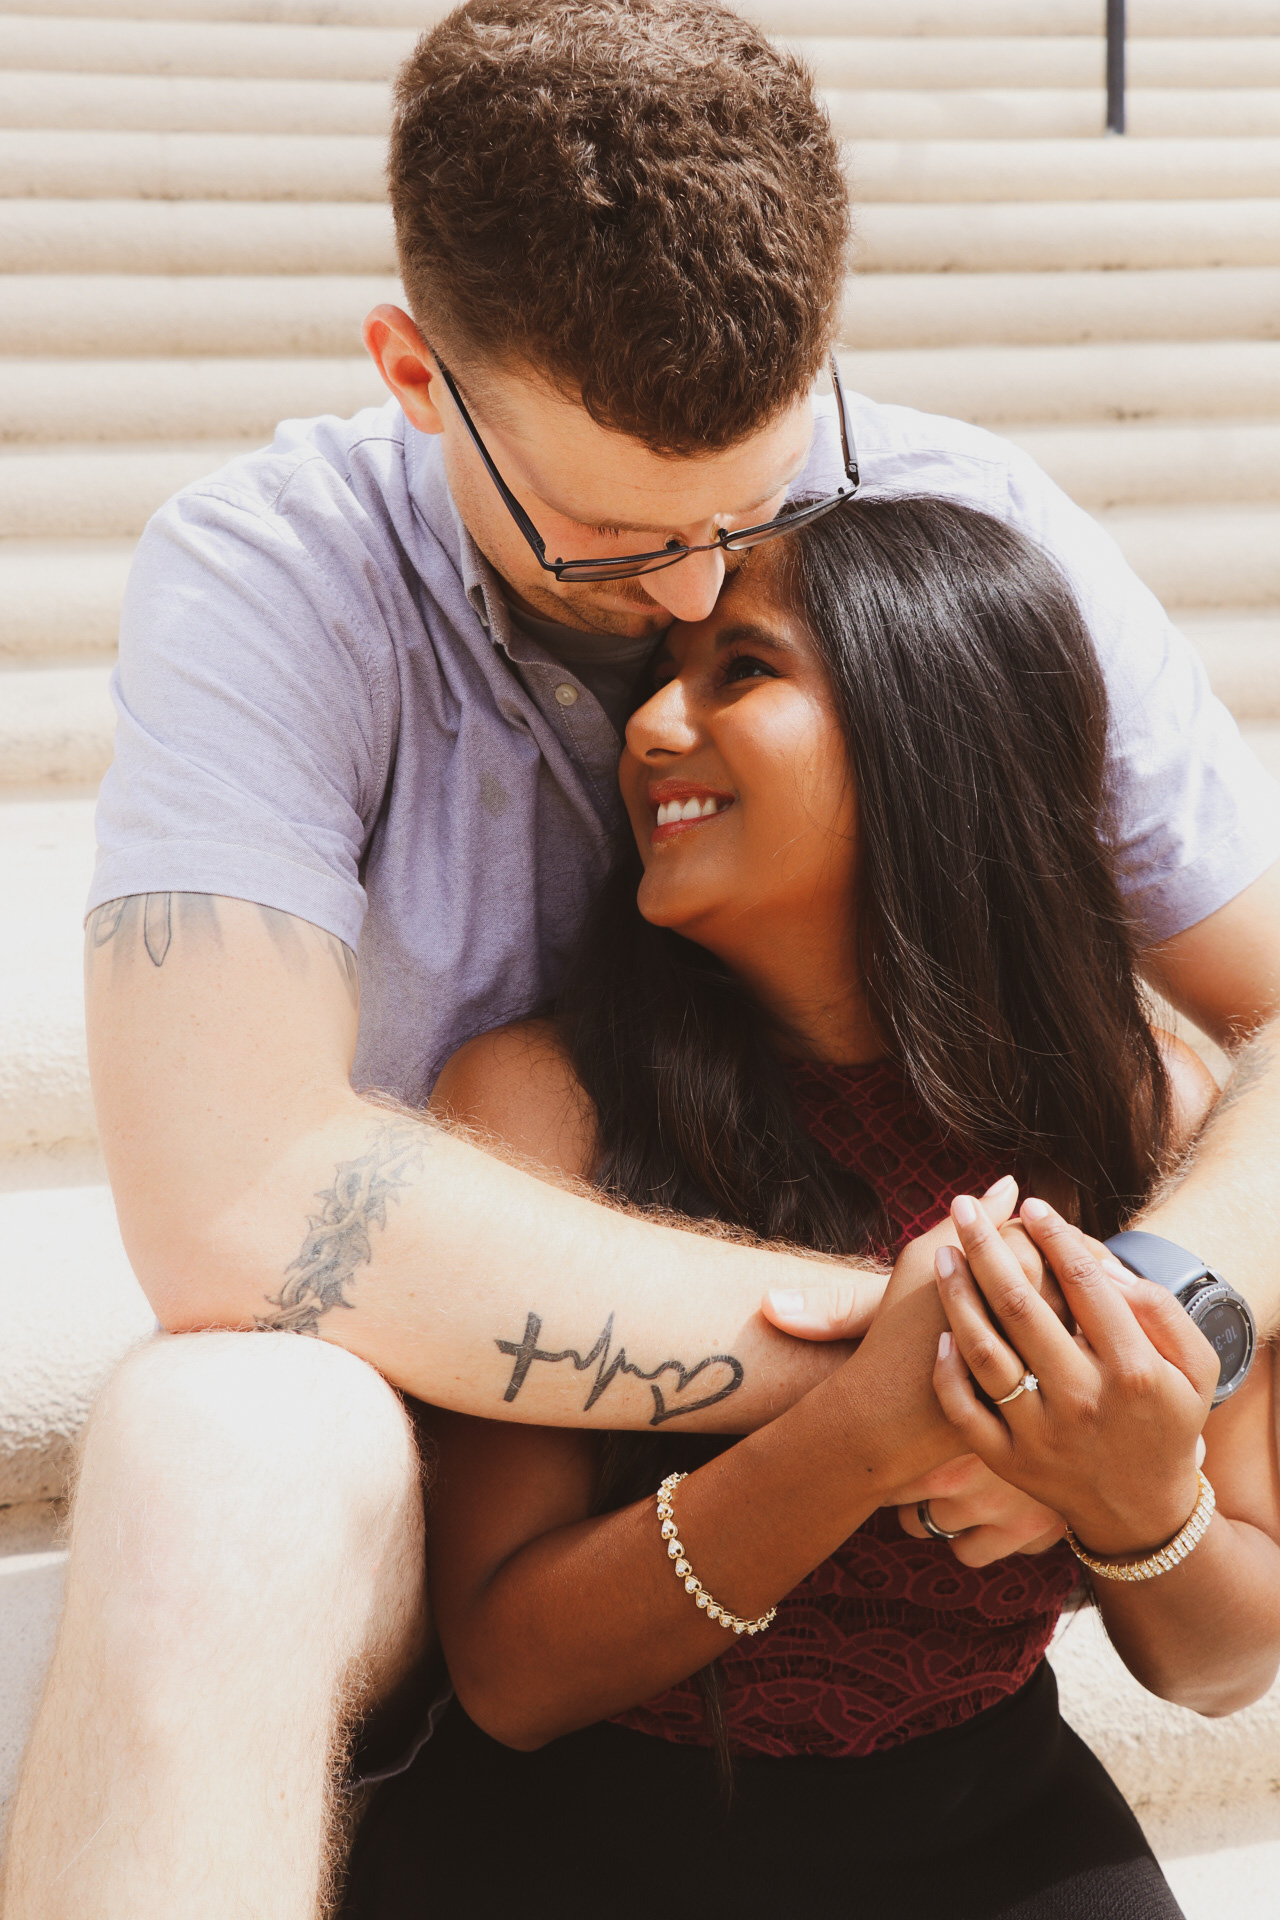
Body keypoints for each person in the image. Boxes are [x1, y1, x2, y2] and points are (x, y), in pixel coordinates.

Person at [6, 3, 1280, 1915]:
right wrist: (934, 1359)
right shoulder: (276, 577)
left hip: (948, 1680)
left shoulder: (956, 530)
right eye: (614, 537)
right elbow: (241, 1204)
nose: (689, 593)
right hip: (460, 1481)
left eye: (760, 510)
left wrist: (1133, 1344)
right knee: (212, 1446)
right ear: (416, 376)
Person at [343, 499, 1280, 1920]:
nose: (650, 726)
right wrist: (853, 1439)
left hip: (990, 1827)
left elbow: (1227, 1665)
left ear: (930, 727)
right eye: (661, 675)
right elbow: (512, 1676)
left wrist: (1135, 1499)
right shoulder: (542, 1104)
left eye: (742, 670)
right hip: (584, 1848)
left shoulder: (1149, 1118)